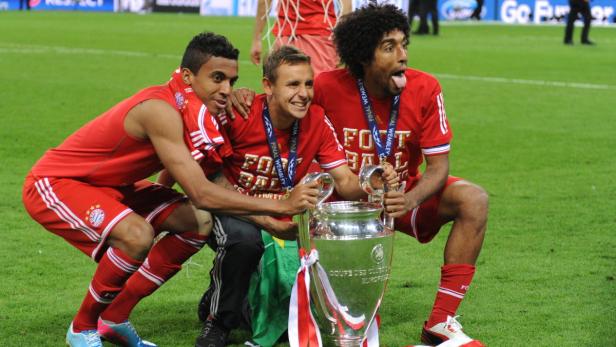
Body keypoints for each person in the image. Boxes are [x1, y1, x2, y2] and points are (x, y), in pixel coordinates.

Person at [22, 32, 319, 347]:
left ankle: (114, 317)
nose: (226, 89)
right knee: (137, 235)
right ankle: (82, 328)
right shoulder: (159, 109)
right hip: (58, 182)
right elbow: (201, 192)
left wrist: (162, 208)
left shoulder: (192, 105)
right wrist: (281, 207)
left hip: (116, 186)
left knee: (197, 222)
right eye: (217, 78)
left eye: (232, 80)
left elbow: (176, 168)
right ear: (188, 76)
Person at [231, 4, 489, 346]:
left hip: (400, 196)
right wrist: (244, 95)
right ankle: (246, 298)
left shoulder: (426, 89)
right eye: (389, 47)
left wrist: (409, 199)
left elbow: (440, 167)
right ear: (364, 56)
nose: (403, 56)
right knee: (354, 319)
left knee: (473, 199)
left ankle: (440, 322)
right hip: (339, 203)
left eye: (403, 45)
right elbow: (283, 103)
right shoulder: (325, 86)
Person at [191, 45, 397, 347]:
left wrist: (373, 181)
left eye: (308, 83)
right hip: (234, 209)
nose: (304, 93)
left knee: (293, 309)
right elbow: (210, 175)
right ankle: (218, 322)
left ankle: (222, 293)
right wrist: (265, 218)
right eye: (292, 84)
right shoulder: (239, 114)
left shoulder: (316, 121)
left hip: (285, 218)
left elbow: (345, 181)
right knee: (244, 241)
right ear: (267, 86)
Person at [250, 0, 351, 76]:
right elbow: (346, 6)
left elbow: (264, 2)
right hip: (320, 37)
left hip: (286, 36)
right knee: (322, 94)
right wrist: (342, 40)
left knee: (281, 93)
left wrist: (257, 38)